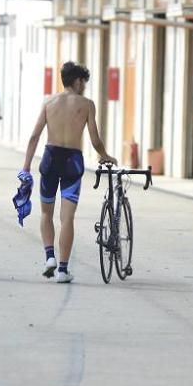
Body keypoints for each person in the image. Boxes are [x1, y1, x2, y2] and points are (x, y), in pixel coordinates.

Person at [20, 61, 117, 284]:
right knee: (67, 218)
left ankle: (50, 257)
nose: (84, 86)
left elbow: (34, 136)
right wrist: (106, 156)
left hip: (51, 158)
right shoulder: (86, 104)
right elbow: (94, 138)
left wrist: (26, 167)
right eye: (84, 81)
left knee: (46, 213)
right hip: (72, 161)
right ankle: (63, 270)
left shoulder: (49, 102)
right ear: (77, 80)